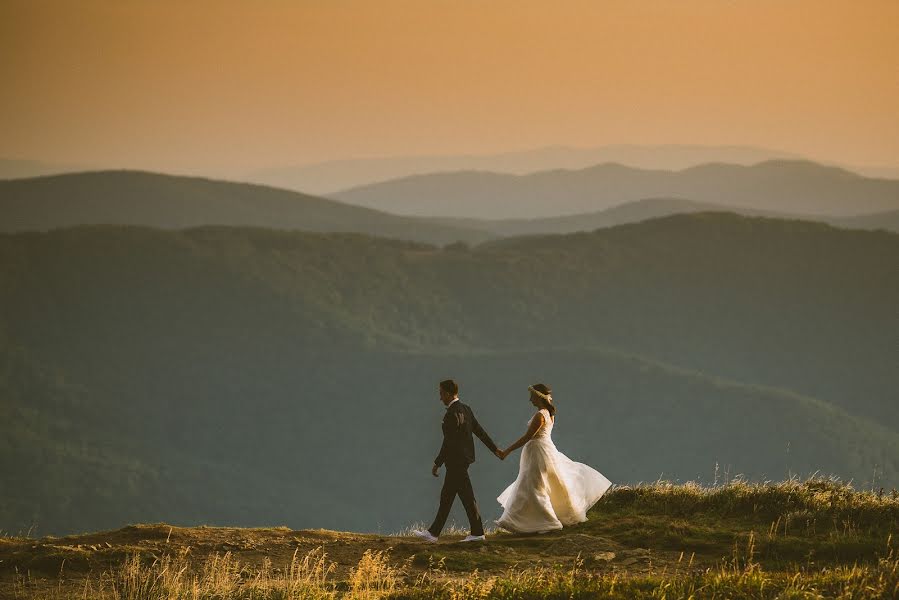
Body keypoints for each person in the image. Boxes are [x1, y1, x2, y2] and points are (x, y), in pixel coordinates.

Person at [495, 383, 612, 533]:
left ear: (538, 397)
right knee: (539, 484)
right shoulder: (550, 415)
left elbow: (527, 437)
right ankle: (529, 520)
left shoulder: (539, 416)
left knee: (533, 486)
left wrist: (507, 451)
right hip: (545, 450)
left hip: (537, 453)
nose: (530, 400)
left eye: (532, 397)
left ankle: (543, 521)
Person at [414, 379, 503, 543]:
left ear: (448, 393)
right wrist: (495, 449)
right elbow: (479, 431)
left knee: (463, 497)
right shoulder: (466, 409)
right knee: (449, 497)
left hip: (455, 462)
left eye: (441, 393)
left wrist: (437, 462)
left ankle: (476, 533)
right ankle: (434, 533)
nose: (440, 397)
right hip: (464, 460)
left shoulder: (450, 415)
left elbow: (448, 442)